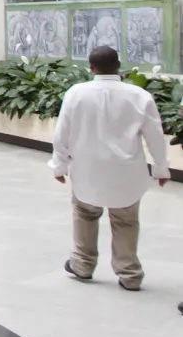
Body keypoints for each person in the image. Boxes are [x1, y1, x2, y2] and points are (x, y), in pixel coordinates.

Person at [51, 46, 170, 291]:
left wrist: (59, 165)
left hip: (87, 170)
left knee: (84, 214)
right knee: (126, 221)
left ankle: (83, 264)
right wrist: (160, 169)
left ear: (91, 68)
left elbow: (62, 133)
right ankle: (129, 273)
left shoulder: (77, 93)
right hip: (127, 173)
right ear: (118, 65)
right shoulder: (139, 96)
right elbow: (154, 136)